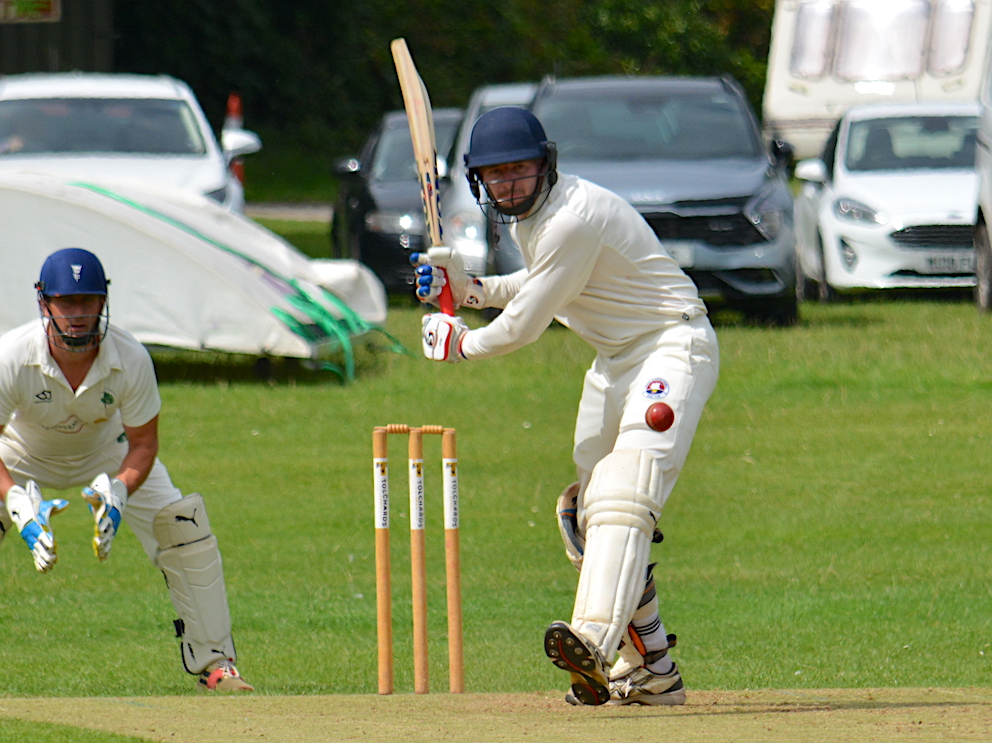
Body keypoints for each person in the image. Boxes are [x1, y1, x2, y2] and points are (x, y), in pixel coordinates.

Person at [412, 107, 719, 706]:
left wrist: (462, 344)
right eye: (495, 177)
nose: (509, 186)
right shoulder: (541, 220)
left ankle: (595, 643)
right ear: (480, 182)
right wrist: (470, 287)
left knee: (623, 493)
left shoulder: (571, 218)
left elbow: (525, 322)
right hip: (615, 360)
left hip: (671, 348)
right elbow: (539, 283)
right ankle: (651, 667)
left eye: (520, 171)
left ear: (545, 165)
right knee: (585, 515)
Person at [0, 248, 253, 692]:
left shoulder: (130, 358)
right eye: (67, 302)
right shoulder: (11, 356)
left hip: (108, 454)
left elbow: (144, 445)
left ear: (103, 302)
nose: (78, 315)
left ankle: (215, 663)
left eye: (88, 302)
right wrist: (16, 502)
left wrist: (119, 492)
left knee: (183, 524)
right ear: (45, 303)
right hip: (22, 455)